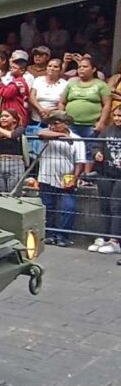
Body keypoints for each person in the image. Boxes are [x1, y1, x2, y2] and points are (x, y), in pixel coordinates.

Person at [37, 111, 87, 246]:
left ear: (66, 124)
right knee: (48, 207)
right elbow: (41, 134)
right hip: (46, 176)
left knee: (68, 207)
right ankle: (50, 234)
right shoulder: (48, 134)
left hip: (66, 176)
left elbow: (80, 161)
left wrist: (75, 178)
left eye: (56, 124)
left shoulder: (77, 139)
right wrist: (62, 135)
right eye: (51, 124)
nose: (52, 126)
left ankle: (63, 236)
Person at [91, 106, 121, 251]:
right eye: (115, 115)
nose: (116, 118)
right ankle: (103, 237)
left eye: (119, 116)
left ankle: (114, 241)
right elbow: (96, 145)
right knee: (104, 206)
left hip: (119, 177)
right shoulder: (107, 130)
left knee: (116, 207)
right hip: (105, 173)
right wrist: (97, 153)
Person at [59, 56, 111, 140]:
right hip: (71, 124)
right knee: (72, 149)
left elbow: (107, 104)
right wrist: (62, 119)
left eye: (85, 67)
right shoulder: (71, 84)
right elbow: (61, 102)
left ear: (93, 69)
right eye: (79, 67)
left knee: (89, 150)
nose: (81, 69)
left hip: (91, 125)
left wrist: (101, 122)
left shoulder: (101, 85)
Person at [0, 108, 27, 193]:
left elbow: (13, 135)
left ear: (14, 119)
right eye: (1, 116)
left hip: (15, 163)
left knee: (13, 193)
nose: (3, 118)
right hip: (0, 162)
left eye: (6, 116)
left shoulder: (20, 129)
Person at [29, 58, 67, 125]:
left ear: (60, 70)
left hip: (54, 119)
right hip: (36, 117)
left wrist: (51, 112)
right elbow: (31, 97)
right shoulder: (38, 80)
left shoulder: (64, 84)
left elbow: (62, 102)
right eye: (49, 66)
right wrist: (41, 110)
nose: (51, 68)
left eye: (55, 67)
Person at [0, 57, 30, 124]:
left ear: (22, 70)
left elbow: (6, 94)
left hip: (16, 111)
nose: (11, 70)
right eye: (11, 68)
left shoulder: (18, 82)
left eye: (14, 68)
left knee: (13, 132)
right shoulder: (17, 81)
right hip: (12, 110)